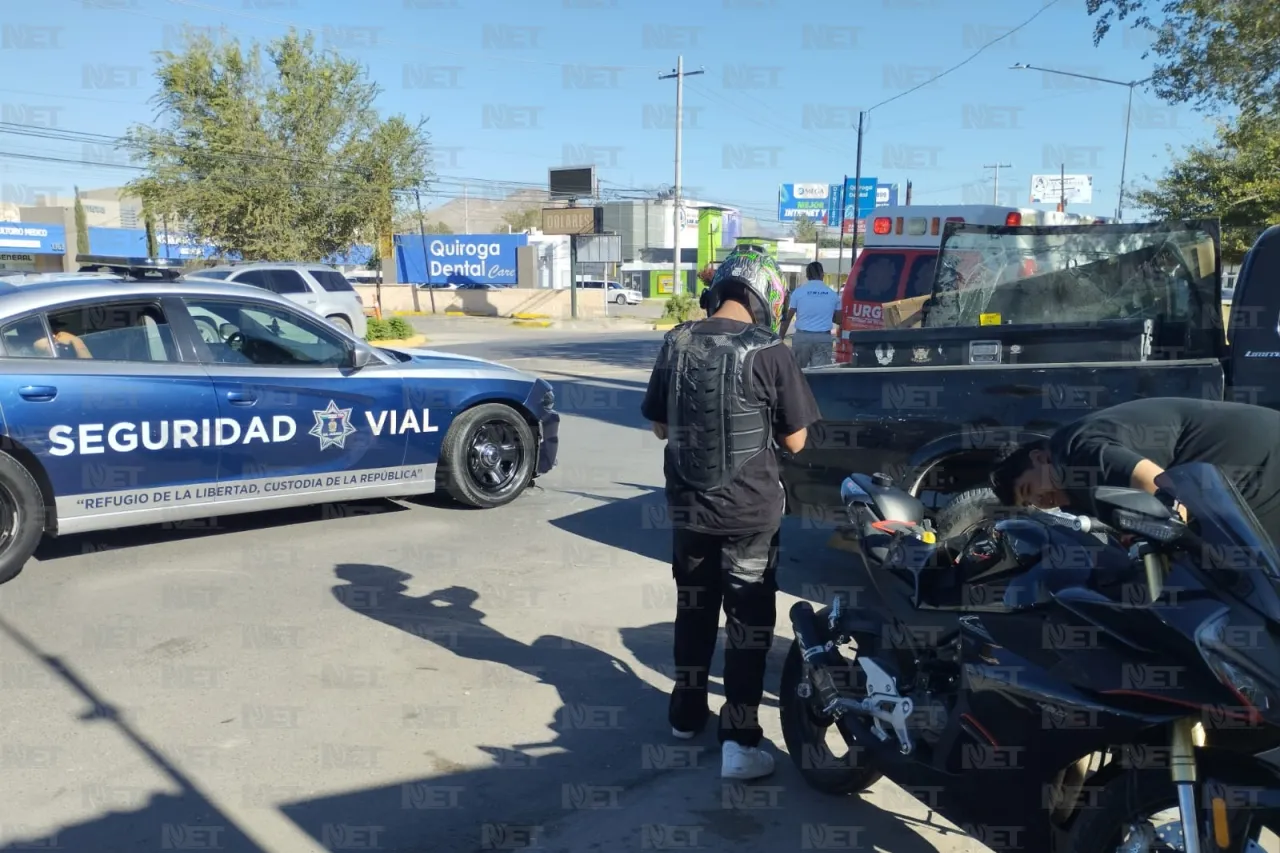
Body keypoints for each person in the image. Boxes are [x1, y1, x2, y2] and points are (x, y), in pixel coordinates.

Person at [640, 244, 821, 780]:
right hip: (750, 516)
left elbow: (660, 427)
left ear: (719, 287)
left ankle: (685, 713)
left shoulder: (675, 342)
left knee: (693, 610)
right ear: (766, 295)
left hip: (689, 510)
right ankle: (740, 742)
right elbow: (796, 442)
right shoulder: (771, 352)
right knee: (747, 626)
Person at [990, 397, 1280, 544]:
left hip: (1259, 458)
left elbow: (1157, 487)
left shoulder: (1076, 451)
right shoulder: (1074, 489)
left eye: (1030, 490)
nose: (1041, 502)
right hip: (1235, 470)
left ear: (1039, 458)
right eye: (1029, 504)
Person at [779, 261, 841, 368]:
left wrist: (780, 339)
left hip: (802, 338)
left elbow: (787, 319)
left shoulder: (798, 293)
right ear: (822, 274)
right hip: (823, 338)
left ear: (807, 275)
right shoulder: (833, 295)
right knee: (820, 375)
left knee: (797, 373)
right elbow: (840, 320)